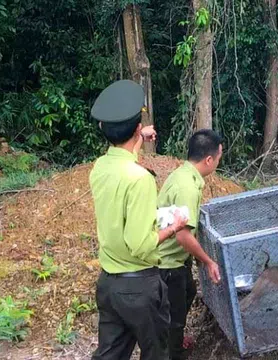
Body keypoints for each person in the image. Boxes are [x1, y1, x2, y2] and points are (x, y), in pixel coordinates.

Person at [89, 79, 188, 360]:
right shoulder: (140, 180)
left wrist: (135, 137)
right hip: (140, 287)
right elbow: (141, 245)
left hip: (109, 284)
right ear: (136, 129)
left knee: (110, 354)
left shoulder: (99, 168)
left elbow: (118, 153)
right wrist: (174, 227)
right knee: (157, 352)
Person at [158, 129, 222, 360]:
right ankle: (173, 352)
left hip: (176, 259)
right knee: (174, 316)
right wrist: (208, 261)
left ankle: (171, 339)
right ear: (208, 159)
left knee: (189, 291)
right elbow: (183, 236)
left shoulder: (183, 174)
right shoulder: (187, 187)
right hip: (166, 262)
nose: (218, 162)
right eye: (218, 157)